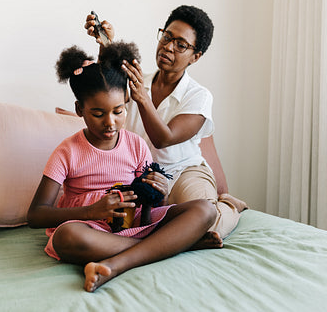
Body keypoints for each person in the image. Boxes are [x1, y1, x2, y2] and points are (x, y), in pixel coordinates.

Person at [27, 42, 223, 293]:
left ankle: (119, 263)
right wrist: (90, 212)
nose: (110, 123)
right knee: (66, 238)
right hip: (91, 229)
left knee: (205, 210)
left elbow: (147, 210)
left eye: (118, 111)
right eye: (98, 114)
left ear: (125, 105)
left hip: (136, 226)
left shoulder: (136, 145)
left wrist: (158, 193)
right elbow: (35, 215)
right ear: (80, 110)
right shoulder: (68, 151)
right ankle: (168, 246)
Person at [84, 5, 248, 239]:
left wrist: (141, 96)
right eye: (167, 36)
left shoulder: (198, 96)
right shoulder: (140, 81)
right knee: (122, 225)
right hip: (140, 177)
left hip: (183, 172)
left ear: (195, 56)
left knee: (207, 222)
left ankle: (230, 205)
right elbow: (107, 89)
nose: (168, 46)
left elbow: (164, 139)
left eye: (181, 45)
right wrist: (105, 44)